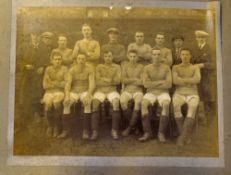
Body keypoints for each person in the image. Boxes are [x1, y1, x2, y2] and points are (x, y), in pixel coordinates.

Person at [138, 48, 172, 142]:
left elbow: (169, 84)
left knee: (165, 104)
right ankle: (147, 132)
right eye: (154, 54)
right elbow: (146, 84)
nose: (156, 56)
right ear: (151, 56)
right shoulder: (147, 68)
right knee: (143, 104)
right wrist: (161, 82)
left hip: (163, 92)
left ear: (161, 56)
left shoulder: (166, 68)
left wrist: (153, 83)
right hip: (151, 92)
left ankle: (161, 133)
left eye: (158, 54)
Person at [59, 53, 95, 139]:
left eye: (83, 59)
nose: (81, 61)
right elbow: (68, 85)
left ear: (85, 60)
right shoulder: (72, 70)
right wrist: (67, 96)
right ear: (76, 60)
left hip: (85, 91)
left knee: (87, 102)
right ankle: (65, 130)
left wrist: (88, 95)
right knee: (66, 103)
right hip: (74, 91)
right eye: (79, 59)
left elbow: (92, 84)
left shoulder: (90, 69)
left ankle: (86, 131)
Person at [172, 48, 201, 146]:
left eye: (187, 54)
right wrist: (189, 81)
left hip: (193, 94)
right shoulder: (175, 67)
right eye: (183, 54)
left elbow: (197, 79)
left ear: (190, 56)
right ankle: (186, 137)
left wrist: (183, 80)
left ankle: (181, 137)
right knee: (176, 106)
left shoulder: (195, 67)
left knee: (192, 108)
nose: (185, 56)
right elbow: (175, 81)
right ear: (180, 56)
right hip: (179, 93)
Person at [91, 51, 121, 140]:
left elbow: (117, 81)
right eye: (106, 56)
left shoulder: (117, 67)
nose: (108, 58)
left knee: (115, 103)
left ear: (112, 57)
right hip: (100, 90)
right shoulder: (99, 67)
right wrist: (109, 80)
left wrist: (103, 79)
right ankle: (95, 131)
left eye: (110, 56)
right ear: (103, 58)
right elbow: (97, 81)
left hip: (112, 90)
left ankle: (114, 130)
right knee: (95, 104)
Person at [42, 50, 68, 137]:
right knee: (48, 104)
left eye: (59, 59)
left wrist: (52, 82)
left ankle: (57, 126)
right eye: (55, 59)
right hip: (49, 92)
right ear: (52, 60)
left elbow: (66, 83)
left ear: (61, 60)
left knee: (56, 103)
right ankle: (50, 126)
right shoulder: (48, 69)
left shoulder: (64, 69)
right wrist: (58, 83)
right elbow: (45, 85)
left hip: (60, 92)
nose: (57, 61)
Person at [120, 49, 144, 137]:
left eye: (134, 57)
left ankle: (130, 127)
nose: (132, 58)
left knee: (138, 103)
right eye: (131, 56)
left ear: (137, 57)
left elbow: (142, 82)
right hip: (127, 90)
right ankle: (136, 126)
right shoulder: (125, 66)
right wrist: (134, 80)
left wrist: (129, 80)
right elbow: (122, 79)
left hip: (138, 90)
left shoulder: (141, 67)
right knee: (123, 102)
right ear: (128, 57)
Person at [192, 30, 216, 114]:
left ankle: (209, 121)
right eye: (199, 37)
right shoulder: (195, 49)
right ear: (196, 38)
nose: (200, 39)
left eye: (202, 37)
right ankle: (199, 120)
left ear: (205, 39)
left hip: (207, 78)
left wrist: (203, 65)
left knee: (207, 100)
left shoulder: (210, 49)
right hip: (197, 77)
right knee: (198, 98)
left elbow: (215, 64)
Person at [33, 32, 54, 120]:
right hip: (40, 73)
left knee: (49, 91)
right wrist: (40, 67)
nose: (48, 40)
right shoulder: (38, 48)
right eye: (46, 38)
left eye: (49, 39)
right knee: (39, 92)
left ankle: (48, 112)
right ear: (42, 39)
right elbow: (35, 59)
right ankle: (38, 113)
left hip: (49, 72)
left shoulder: (52, 49)